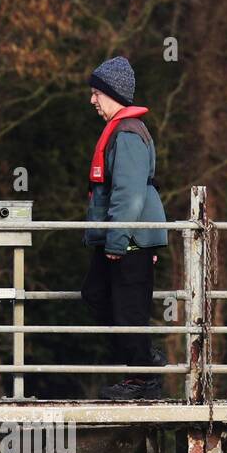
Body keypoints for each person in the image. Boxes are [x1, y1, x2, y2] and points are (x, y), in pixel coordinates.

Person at [80, 56, 169, 401]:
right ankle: (144, 361)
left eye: (95, 93)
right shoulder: (124, 130)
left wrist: (117, 241)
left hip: (127, 241)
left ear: (110, 92)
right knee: (98, 295)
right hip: (126, 239)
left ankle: (142, 378)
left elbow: (128, 194)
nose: (92, 101)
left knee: (128, 307)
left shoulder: (128, 134)